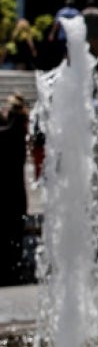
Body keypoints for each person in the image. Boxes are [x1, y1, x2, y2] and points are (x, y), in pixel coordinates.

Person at [0, 95, 29, 284]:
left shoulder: (9, 134)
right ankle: (13, 270)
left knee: (6, 233)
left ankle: (8, 271)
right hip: (16, 192)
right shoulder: (19, 134)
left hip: (6, 193)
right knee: (14, 234)